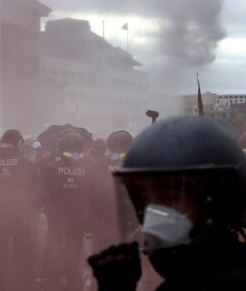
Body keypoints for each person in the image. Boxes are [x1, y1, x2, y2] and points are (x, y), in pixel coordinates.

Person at [88, 115, 246, 290]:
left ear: (219, 199)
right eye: (145, 200)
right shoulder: (189, 278)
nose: (153, 215)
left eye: (168, 198)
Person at [0, 129, 37, 290]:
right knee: (22, 250)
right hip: (20, 215)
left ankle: (0, 283)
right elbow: (34, 188)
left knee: (0, 249)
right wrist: (31, 210)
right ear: (17, 142)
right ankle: (24, 284)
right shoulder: (25, 162)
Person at [40, 132, 91, 290]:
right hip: (78, 218)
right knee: (75, 251)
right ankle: (74, 283)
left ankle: (54, 282)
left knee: (55, 248)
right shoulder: (88, 168)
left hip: (57, 217)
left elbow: (45, 192)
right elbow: (91, 194)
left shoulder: (51, 167)